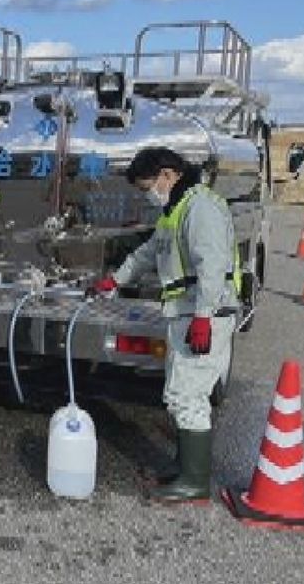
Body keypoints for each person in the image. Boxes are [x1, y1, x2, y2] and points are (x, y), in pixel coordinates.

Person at [90, 147, 239, 504]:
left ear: (167, 175)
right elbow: (147, 253)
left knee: (189, 395)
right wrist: (115, 279)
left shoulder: (201, 207)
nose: (148, 195)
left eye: (147, 187)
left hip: (204, 316)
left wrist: (204, 316)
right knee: (178, 391)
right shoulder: (176, 210)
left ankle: (195, 482)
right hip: (186, 315)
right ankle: (183, 467)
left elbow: (212, 266)